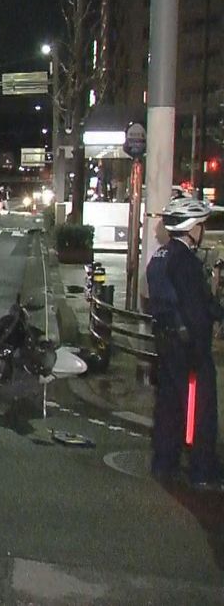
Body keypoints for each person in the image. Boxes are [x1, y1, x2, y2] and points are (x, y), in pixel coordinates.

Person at [146, 197, 224, 491]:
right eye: (201, 225)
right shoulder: (186, 262)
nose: (202, 231)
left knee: (169, 405)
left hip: (166, 343)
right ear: (192, 228)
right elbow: (197, 308)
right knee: (200, 408)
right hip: (189, 347)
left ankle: (164, 462)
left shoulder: (161, 256)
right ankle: (202, 469)